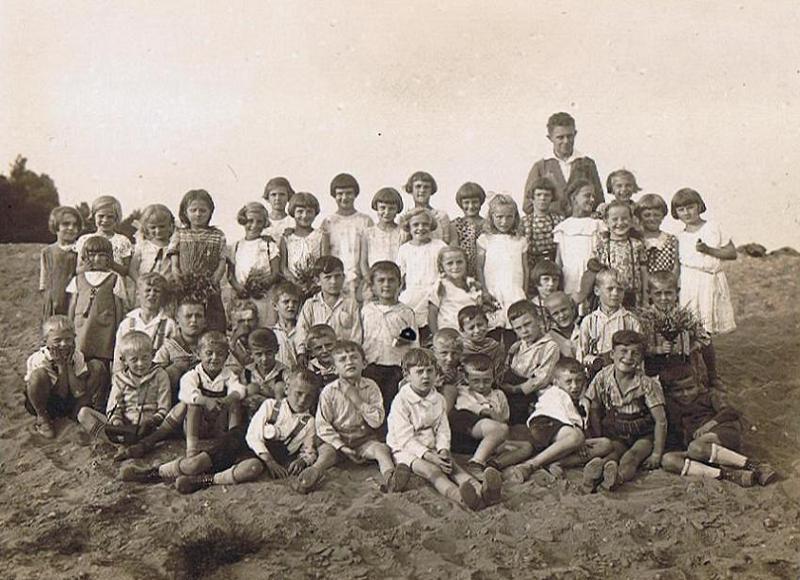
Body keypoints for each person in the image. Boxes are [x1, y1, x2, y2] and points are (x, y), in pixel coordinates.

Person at [120, 331, 247, 489]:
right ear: (198, 354)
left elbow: (239, 390)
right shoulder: (193, 375)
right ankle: (189, 451)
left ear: (227, 356)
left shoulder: (228, 375)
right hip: (196, 426)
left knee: (235, 403)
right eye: (209, 353)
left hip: (218, 427)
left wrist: (225, 400)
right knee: (189, 404)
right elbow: (188, 393)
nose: (214, 358)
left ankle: (229, 441)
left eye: (220, 354)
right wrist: (206, 401)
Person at [387, 348, 501, 510]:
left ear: (436, 373)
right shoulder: (401, 401)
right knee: (433, 471)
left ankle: (485, 491)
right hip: (407, 450)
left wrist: (443, 450)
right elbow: (404, 438)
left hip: (432, 446)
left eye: (430, 371)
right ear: (407, 375)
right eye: (419, 372)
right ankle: (461, 497)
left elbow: (443, 429)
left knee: (453, 466)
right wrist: (429, 456)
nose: (425, 376)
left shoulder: (438, 399)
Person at [173, 369, 321, 494]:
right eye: (299, 393)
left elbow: (309, 451)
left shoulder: (309, 423)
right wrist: (270, 461)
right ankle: (157, 473)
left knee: (252, 468)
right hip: (242, 440)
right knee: (193, 465)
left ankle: (204, 481)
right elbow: (253, 435)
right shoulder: (271, 405)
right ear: (287, 389)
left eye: (308, 397)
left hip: (262, 457)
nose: (302, 401)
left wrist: (302, 460)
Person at [294, 341, 400, 494]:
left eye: (354, 358)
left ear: (364, 364)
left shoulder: (371, 387)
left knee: (381, 450)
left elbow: (377, 421)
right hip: (337, 441)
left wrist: (357, 400)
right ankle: (313, 473)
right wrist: (341, 447)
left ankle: (391, 478)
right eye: (342, 359)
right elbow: (322, 426)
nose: (349, 362)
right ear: (335, 368)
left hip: (363, 440)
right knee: (326, 454)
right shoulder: (329, 391)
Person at [504, 357, 614, 485]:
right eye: (569, 381)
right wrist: (579, 438)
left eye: (579, 381)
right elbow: (563, 415)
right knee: (576, 436)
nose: (575, 386)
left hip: (563, 433)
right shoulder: (555, 393)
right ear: (556, 382)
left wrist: (579, 438)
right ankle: (530, 465)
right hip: (544, 424)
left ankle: (555, 463)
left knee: (605, 444)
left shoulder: (576, 401)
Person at [584, 331, 667, 491]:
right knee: (611, 454)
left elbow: (660, 420)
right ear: (612, 354)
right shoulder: (603, 377)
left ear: (641, 358)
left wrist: (657, 453)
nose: (628, 357)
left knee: (632, 457)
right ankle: (595, 473)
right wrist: (599, 435)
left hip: (643, 434)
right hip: (617, 432)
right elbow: (594, 408)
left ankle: (616, 478)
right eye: (623, 351)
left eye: (635, 353)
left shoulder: (646, 384)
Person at [672, 188, 736, 387]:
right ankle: (694, 375)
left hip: (710, 281)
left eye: (690, 207)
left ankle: (713, 375)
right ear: (676, 213)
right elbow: (677, 266)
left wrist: (708, 250)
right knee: (692, 331)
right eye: (681, 209)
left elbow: (731, 252)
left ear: (699, 205)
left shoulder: (713, 227)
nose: (687, 213)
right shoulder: (678, 236)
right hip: (691, 283)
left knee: (706, 333)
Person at [77, 331, 171, 445]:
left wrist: (151, 421)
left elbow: (164, 407)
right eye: (134, 359)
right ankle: (116, 444)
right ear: (124, 360)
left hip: (150, 426)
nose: (140, 363)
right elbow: (113, 407)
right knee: (84, 414)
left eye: (145, 358)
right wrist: (117, 422)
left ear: (152, 355)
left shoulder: (160, 375)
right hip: (124, 427)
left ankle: (140, 443)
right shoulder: (120, 378)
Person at [67, 235, 125, 406]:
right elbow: (73, 304)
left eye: (102, 255)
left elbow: (119, 306)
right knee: (81, 360)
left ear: (109, 257)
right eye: (92, 255)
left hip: (105, 328)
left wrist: (118, 329)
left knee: (103, 363)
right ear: (86, 256)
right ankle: (79, 398)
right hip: (82, 327)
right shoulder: (79, 278)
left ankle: (100, 401)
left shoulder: (114, 278)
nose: (97, 259)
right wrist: (70, 326)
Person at [24, 316, 98, 438]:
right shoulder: (38, 359)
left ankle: (78, 413)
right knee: (38, 376)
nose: (63, 344)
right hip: (48, 402)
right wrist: (61, 366)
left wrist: (68, 365)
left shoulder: (76, 356)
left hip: (69, 398)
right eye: (57, 340)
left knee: (97, 367)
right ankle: (42, 418)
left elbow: (78, 392)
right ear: (45, 341)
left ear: (74, 338)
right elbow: (60, 393)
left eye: (68, 339)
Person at [360, 261, 418, 414]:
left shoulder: (406, 312)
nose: (386, 285)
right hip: (371, 366)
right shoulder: (366, 311)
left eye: (391, 280)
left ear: (400, 284)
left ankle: (390, 435)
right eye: (381, 280)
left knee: (393, 405)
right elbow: (359, 338)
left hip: (395, 368)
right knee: (372, 404)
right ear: (372, 286)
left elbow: (414, 343)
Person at [167, 189, 228, 331]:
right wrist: (176, 271)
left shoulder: (217, 235)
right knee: (187, 316)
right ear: (185, 212)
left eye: (203, 210)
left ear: (210, 212)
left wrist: (214, 279)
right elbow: (174, 256)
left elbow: (222, 260)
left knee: (212, 317)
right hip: (186, 284)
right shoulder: (180, 234)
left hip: (209, 285)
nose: (198, 214)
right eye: (193, 210)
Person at [523, 112, 604, 215]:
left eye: (569, 136)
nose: (566, 141)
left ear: (575, 134)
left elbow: (598, 201)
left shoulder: (587, 164)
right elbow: (528, 205)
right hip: (550, 227)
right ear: (550, 138)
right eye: (560, 137)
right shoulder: (541, 167)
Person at [449, 354, 512, 475]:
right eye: (476, 381)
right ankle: (475, 464)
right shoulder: (463, 391)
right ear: (467, 379)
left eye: (487, 381)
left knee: (526, 447)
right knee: (501, 429)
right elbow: (464, 409)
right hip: (468, 435)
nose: (482, 386)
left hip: (492, 438)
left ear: (493, 377)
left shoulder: (499, 395)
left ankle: (494, 464)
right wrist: (487, 411)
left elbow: (504, 419)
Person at [502, 300, 560, 425]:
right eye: (518, 328)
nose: (524, 331)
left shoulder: (550, 346)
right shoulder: (516, 346)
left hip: (535, 397)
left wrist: (514, 389)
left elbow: (542, 379)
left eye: (527, 324)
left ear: (538, 320)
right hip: (514, 396)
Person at [581, 200, 649, 308]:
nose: (620, 223)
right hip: (609, 296)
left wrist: (645, 297)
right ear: (606, 221)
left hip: (632, 296)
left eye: (624, 218)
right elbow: (592, 269)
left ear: (631, 221)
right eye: (615, 219)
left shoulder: (637, 245)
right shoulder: (601, 245)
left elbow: (644, 273)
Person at [576, 268, 642, 378]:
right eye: (610, 289)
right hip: (595, 376)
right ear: (597, 291)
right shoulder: (589, 321)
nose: (615, 293)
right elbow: (581, 354)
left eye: (620, 290)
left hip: (624, 376)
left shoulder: (631, 321)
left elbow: (639, 354)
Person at [476, 194, 528, 329]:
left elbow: (525, 268)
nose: (504, 222)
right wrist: (484, 290)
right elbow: (479, 267)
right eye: (499, 217)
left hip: (515, 289)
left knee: (516, 325)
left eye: (509, 217)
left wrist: (524, 290)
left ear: (515, 217)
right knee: (495, 326)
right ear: (491, 217)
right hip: (493, 290)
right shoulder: (485, 239)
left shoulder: (520, 240)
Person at [397, 208, 448, 341]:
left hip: (436, 291)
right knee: (410, 325)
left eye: (425, 224)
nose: (421, 228)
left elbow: (446, 270)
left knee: (434, 326)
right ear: (408, 227)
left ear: (431, 226)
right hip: (413, 293)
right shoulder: (404, 249)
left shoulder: (439, 246)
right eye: (416, 225)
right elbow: (400, 275)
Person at [294, 256, 362, 357]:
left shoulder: (351, 304)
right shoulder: (311, 305)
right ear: (317, 281)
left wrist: (350, 352)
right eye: (328, 277)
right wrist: (301, 352)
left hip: (343, 356)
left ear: (343, 277)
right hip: (317, 358)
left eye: (337, 276)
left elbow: (357, 334)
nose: (333, 281)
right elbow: (301, 330)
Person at [228, 202, 280, 326]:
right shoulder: (236, 246)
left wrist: (262, 285)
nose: (254, 225)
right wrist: (239, 288)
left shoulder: (268, 245)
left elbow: (276, 272)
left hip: (264, 296)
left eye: (259, 222)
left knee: (264, 327)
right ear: (243, 221)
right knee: (244, 327)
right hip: (242, 297)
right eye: (249, 221)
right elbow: (230, 274)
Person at [321, 173, 374, 297]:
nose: (344, 197)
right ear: (334, 196)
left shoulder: (365, 221)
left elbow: (369, 253)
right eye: (340, 194)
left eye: (349, 193)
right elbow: (325, 253)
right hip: (335, 281)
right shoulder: (328, 222)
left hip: (360, 280)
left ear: (355, 195)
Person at [112, 272, 176, 373]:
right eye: (147, 290)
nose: (152, 294)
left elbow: (173, 357)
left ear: (162, 296)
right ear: (138, 294)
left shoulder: (169, 324)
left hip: (157, 378)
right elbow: (118, 358)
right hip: (129, 379)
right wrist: (118, 379)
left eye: (157, 291)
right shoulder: (127, 323)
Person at [553, 179, 604, 302]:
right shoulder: (562, 228)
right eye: (587, 195)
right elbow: (558, 261)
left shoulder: (598, 225)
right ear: (574, 197)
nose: (592, 200)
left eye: (593, 196)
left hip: (594, 279)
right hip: (570, 280)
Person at [74, 196, 133, 296]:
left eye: (110, 217)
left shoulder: (122, 241)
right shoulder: (84, 240)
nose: (105, 220)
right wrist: (87, 267)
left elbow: (126, 271)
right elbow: (77, 269)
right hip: (89, 288)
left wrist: (113, 265)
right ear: (93, 216)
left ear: (117, 218)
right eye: (101, 216)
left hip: (115, 290)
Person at [280, 192, 330, 300]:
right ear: (293, 213)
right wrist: (295, 282)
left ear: (315, 213)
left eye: (309, 212)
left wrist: (314, 282)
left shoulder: (321, 236)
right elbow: (283, 267)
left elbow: (324, 263)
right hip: (292, 287)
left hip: (315, 287)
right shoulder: (286, 238)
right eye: (300, 211)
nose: (305, 216)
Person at [153, 298, 206, 397]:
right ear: (177, 320)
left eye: (198, 316)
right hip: (175, 401)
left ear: (205, 321)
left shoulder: (211, 343)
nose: (193, 320)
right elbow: (153, 376)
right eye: (188, 316)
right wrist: (175, 368)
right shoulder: (169, 347)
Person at [359, 187, 406, 295]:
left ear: (397, 210)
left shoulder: (402, 233)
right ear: (376, 208)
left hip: (394, 283)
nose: (386, 212)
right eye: (382, 208)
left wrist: (399, 284)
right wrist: (370, 282)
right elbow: (363, 262)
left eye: (391, 208)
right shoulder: (368, 233)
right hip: (374, 283)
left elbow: (404, 262)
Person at [40, 206, 82, 319]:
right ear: (56, 226)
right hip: (53, 300)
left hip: (75, 300)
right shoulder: (47, 251)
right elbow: (44, 282)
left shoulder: (81, 249)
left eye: (75, 225)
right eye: (66, 224)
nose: (71, 228)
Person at [429, 247, 482, 334]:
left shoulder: (472, 283)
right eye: (450, 263)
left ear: (466, 263)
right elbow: (432, 314)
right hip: (450, 332)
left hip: (471, 333)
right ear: (442, 266)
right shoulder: (441, 285)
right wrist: (436, 336)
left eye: (459, 262)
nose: (455, 266)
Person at [521, 177, 564, 273]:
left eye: (547, 195)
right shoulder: (524, 222)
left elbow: (561, 248)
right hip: (532, 266)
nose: (542, 198)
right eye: (538, 195)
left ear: (552, 198)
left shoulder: (559, 221)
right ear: (532, 198)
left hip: (553, 265)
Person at [241, 328, 288, 415]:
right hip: (252, 413)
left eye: (269, 353)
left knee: (279, 386)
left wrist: (266, 401)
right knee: (251, 388)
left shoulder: (283, 371)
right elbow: (241, 397)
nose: (264, 359)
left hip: (276, 412)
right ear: (250, 353)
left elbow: (289, 399)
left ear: (276, 350)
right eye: (259, 354)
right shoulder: (247, 372)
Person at [129, 204, 174, 293]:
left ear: (170, 226)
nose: (158, 231)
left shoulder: (173, 246)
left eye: (162, 226)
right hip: (147, 290)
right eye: (153, 227)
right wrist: (140, 282)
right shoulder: (143, 247)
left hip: (167, 289)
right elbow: (132, 269)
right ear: (146, 228)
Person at [448, 182, 487, 277]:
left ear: (480, 202)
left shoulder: (488, 224)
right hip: (464, 270)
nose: (471, 206)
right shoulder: (455, 224)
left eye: (474, 202)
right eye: (466, 202)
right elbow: (454, 248)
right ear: (460, 204)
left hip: (485, 269)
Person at [458, 306, 505, 383]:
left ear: (487, 323)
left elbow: (498, 371)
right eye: (471, 328)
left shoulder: (494, 346)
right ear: (462, 331)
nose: (477, 330)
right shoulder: (460, 349)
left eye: (480, 325)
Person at [637, 194, 680, 279]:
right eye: (647, 215)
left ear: (663, 216)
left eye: (656, 215)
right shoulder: (637, 240)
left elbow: (676, 267)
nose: (652, 219)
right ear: (640, 217)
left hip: (664, 289)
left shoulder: (671, 240)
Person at [402, 171, 450, 243]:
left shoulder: (441, 216)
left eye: (426, 187)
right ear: (411, 189)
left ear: (431, 190)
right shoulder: (406, 217)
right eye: (418, 186)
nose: (422, 190)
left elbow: (447, 242)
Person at [431, 328, 463, 412]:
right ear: (434, 351)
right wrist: (432, 384)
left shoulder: (462, 369)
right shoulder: (426, 367)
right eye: (444, 353)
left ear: (461, 352)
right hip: (426, 406)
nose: (449, 359)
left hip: (454, 408)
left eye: (455, 353)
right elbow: (403, 384)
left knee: (450, 390)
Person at [271, 280, 301, 370]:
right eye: (286, 302)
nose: (291, 305)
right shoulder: (272, 333)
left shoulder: (303, 331)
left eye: (295, 302)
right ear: (275, 306)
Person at [529, 260, 564, 333]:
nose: (551, 284)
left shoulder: (563, 303)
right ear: (537, 281)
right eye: (546, 279)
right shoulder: (531, 306)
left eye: (555, 280)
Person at [544, 292, 580, 359]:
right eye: (555, 313)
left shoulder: (583, 329)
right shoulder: (550, 337)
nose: (561, 315)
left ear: (572, 308)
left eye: (564, 310)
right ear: (550, 317)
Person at [262, 176, 296, 241]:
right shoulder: (261, 221)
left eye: (282, 194)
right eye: (273, 195)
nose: (277, 198)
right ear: (268, 197)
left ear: (288, 196)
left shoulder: (293, 222)